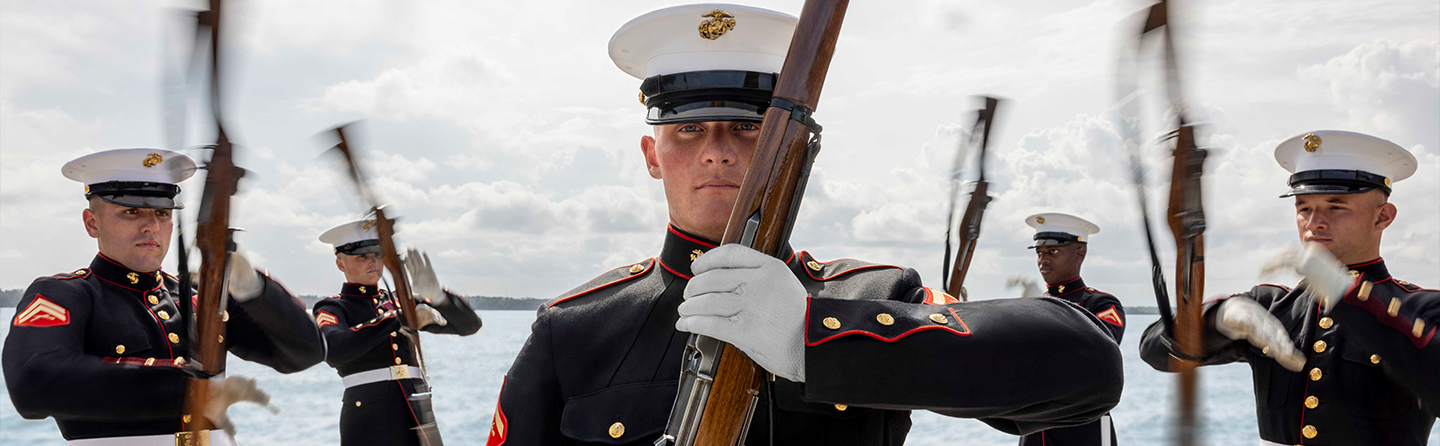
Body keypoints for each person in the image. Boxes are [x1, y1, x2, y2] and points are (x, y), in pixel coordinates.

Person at [484, 5, 1124, 445]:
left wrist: (814, 337)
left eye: (747, 127)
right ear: (653, 156)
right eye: (687, 129)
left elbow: (1083, 367)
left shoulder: (872, 297)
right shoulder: (574, 329)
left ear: (791, 152)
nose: (717, 149)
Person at [3, 148, 326, 445]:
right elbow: (33, 383)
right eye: (131, 212)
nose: (151, 227)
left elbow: (304, 353)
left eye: (163, 214)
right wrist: (191, 390)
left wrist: (254, 289)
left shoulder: (198, 297)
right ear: (92, 223)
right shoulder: (66, 294)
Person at [1138, 130, 1438, 445]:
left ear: (1383, 216)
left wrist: (1345, 293)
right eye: (1303, 207)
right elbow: (1156, 352)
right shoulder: (1273, 306)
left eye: (1336, 207)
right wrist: (1218, 318)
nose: (1315, 222)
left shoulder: (1420, 309)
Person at [311, 218, 482, 446]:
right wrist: (398, 318)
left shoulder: (400, 302)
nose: (373, 262)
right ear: (340, 264)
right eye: (362, 256)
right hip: (369, 415)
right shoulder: (333, 307)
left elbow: (469, 325)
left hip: (416, 409)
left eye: (377, 254)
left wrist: (439, 298)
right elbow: (334, 349)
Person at [1008, 213, 1124, 446]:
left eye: (1053, 251)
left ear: (1080, 254)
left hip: (1082, 433)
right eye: (1039, 253)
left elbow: (1096, 353)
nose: (1043, 259)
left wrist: (1042, 313)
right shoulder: (1031, 306)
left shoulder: (1101, 305)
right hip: (1033, 431)